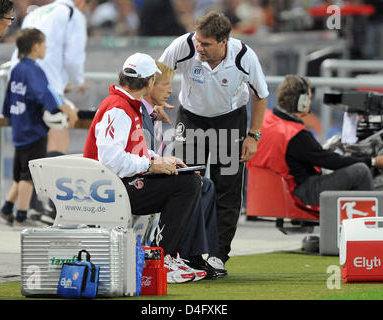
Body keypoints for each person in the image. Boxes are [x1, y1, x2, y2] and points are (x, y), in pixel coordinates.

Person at [158, 11, 269, 273]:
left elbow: (261, 95)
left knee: (227, 188)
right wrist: (157, 101)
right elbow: (159, 72)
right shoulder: (183, 46)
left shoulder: (244, 57)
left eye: (206, 44)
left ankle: (218, 255)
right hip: (191, 118)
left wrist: (253, 136)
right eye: (198, 41)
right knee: (187, 182)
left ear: (224, 42)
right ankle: (186, 253)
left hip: (229, 121)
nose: (199, 48)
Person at [83, 52, 206, 284]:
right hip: (111, 189)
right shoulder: (119, 108)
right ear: (149, 82)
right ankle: (161, 259)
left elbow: (133, 151)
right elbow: (111, 160)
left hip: (119, 184)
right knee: (186, 184)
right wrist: (151, 164)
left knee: (186, 178)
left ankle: (167, 256)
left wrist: (162, 160)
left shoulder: (126, 105)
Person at [141, 61, 225, 279]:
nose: (171, 90)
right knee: (191, 183)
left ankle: (191, 255)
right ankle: (168, 254)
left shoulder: (152, 114)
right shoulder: (136, 112)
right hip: (137, 180)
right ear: (150, 85)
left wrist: (167, 161)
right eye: (166, 85)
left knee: (205, 184)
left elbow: (149, 152)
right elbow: (136, 155)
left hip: (147, 172)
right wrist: (160, 164)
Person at [10, 0, 92, 221]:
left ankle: (22, 206)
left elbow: (18, 51)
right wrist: (78, 80)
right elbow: (73, 56)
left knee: (32, 147)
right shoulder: (73, 13)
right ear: (82, 3)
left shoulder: (36, 12)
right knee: (58, 140)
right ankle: (49, 206)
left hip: (22, 83)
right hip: (45, 86)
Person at [249, 74, 383, 207]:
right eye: (309, 99)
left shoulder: (265, 120)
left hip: (273, 190)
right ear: (301, 102)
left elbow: (306, 154)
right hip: (300, 191)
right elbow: (331, 161)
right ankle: (365, 224)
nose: (309, 103)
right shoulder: (296, 135)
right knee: (361, 171)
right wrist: (373, 161)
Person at [0, 28, 78, 228]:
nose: (46, 48)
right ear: (35, 47)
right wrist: (65, 109)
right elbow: (44, 94)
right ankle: (23, 215)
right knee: (28, 176)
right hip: (33, 130)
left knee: (20, 174)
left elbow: (10, 95)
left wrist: (7, 114)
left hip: (19, 129)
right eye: (43, 44)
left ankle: (6, 210)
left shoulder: (17, 69)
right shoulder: (34, 70)